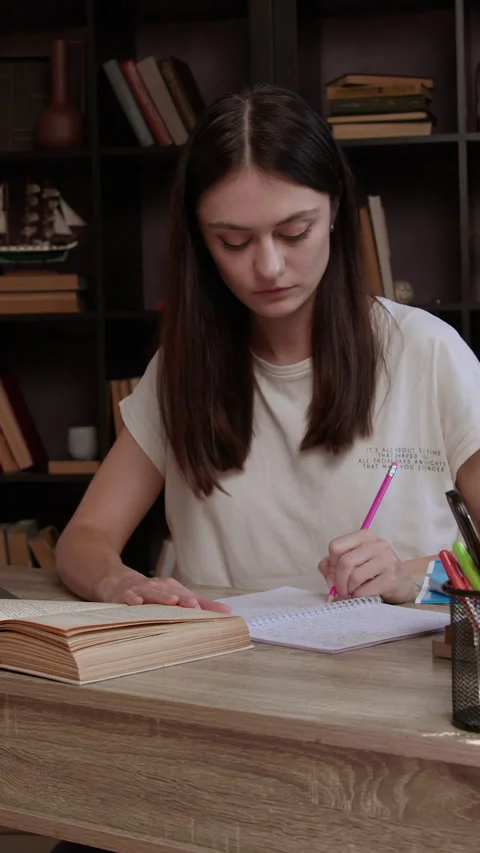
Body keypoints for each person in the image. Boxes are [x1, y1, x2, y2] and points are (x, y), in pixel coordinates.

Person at [51, 81, 480, 853]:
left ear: (336, 212)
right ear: (199, 238)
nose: (270, 266)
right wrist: (123, 584)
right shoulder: (181, 371)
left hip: (389, 734)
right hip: (216, 713)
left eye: (295, 230)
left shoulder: (424, 354)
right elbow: (83, 539)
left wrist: (410, 573)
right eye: (234, 241)